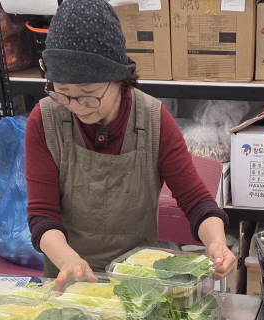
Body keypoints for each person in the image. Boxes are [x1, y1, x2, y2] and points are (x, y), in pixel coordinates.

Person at [24, 0, 237, 288]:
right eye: (62, 92)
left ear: (120, 78)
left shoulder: (152, 119)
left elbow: (195, 200)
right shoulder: (45, 119)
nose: (75, 105)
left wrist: (217, 244)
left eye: (88, 93)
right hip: (68, 278)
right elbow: (42, 214)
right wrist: (67, 260)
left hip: (138, 281)